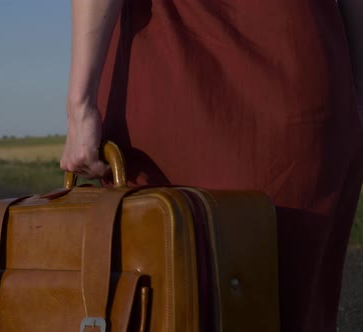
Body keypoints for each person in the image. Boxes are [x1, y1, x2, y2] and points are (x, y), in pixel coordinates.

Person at [60, 1, 363, 331]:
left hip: (173, 68)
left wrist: (80, 103)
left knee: (167, 299)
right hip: (302, 71)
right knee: (290, 308)